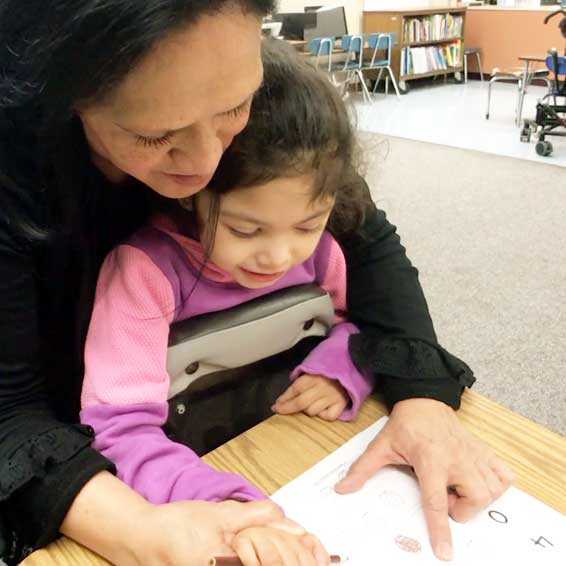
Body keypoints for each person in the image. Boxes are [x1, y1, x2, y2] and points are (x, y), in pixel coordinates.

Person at [0, 0, 513, 564]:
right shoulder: (51, 187)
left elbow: (365, 242)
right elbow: (14, 409)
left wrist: (422, 398)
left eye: (235, 106)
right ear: (64, 95)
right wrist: (137, 529)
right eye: (155, 134)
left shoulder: (272, 131)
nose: (206, 166)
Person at [80, 38, 372, 546]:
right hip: (190, 491)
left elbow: (359, 323)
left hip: (292, 453)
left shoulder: (323, 252)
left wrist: (341, 370)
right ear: (192, 192)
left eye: (307, 224)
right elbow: (118, 428)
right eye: (246, 230)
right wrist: (215, 501)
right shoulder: (145, 273)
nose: (280, 257)